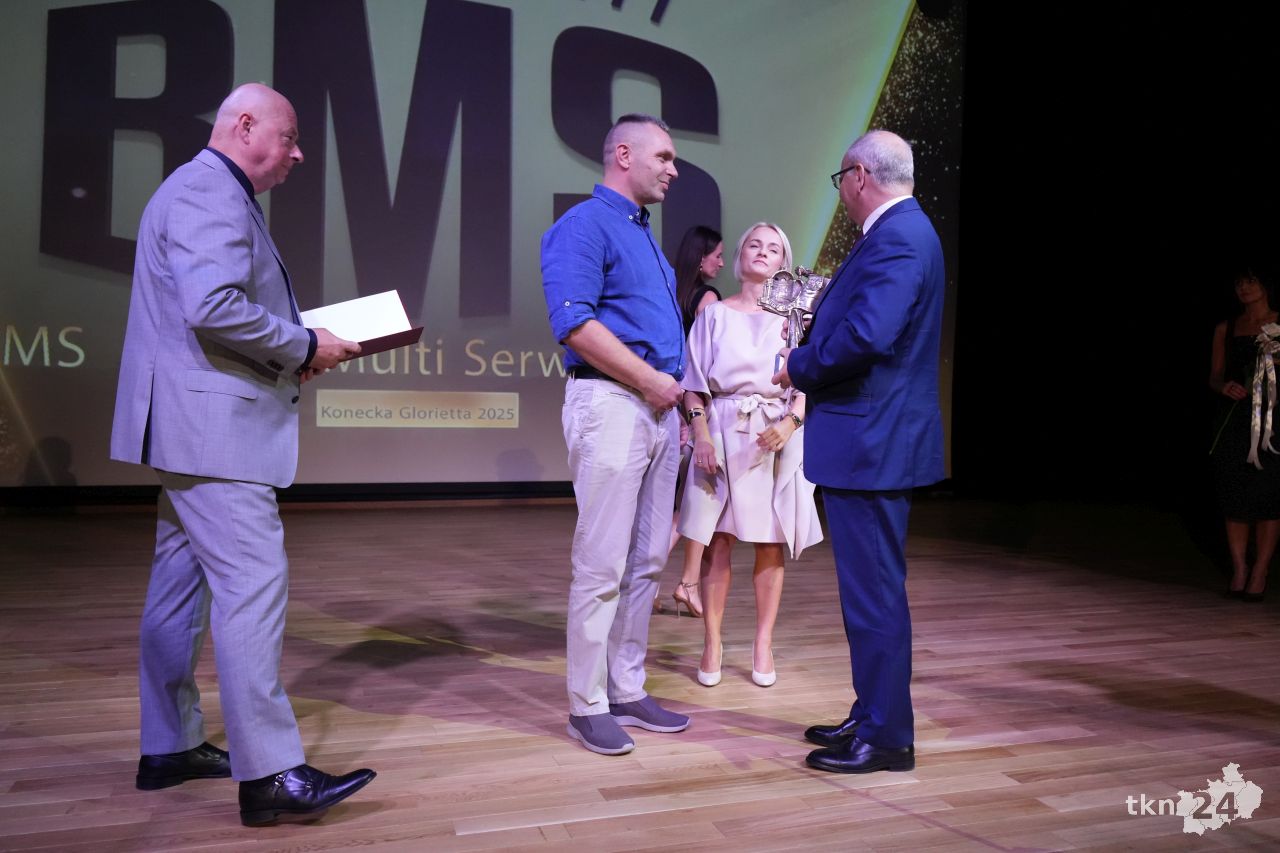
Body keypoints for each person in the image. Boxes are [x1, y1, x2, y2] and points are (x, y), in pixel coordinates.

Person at [110, 83, 375, 825]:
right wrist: (304, 345)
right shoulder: (208, 191)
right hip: (213, 433)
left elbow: (208, 309)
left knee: (179, 590)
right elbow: (215, 306)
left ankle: (169, 745)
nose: (297, 153)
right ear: (246, 125)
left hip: (193, 428)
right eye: (289, 138)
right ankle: (271, 775)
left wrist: (296, 349)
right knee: (253, 586)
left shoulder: (202, 189)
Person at [774, 129, 945, 774]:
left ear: (858, 176)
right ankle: (872, 713)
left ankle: (888, 737)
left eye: (840, 180)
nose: (842, 193)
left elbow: (869, 334)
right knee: (868, 595)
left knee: (874, 596)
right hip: (870, 440)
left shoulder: (899, 236)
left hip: (873, 443)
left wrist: (799, 366)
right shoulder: (901, 232)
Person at [540, 113, 691, 755]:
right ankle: (587, 703)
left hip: (657, 411)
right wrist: (651, 381)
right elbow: (574, 325)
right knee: (602, 562)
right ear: (623, 155)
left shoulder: (645, 236)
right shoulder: (583, 225)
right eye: (664, 156)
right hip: (612, 402)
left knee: (649, 560)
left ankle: (627, 687)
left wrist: (675, 401)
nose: (674, 169)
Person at [679, 223, 822, 687]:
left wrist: (791, 422)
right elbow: (693, 383)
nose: (762, 252)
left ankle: (763, 643)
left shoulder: (795, 320)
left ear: (784, 262)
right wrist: (701, 434)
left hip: (773, 433)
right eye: (755, 245)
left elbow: (811, 381)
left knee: (769, 541)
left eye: (773, 248)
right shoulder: (714, 315)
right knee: (716, 539)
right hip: (722, 430)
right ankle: (712, 642)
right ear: (740, 256)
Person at [663, 225, 725, 618]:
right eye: (717, 255)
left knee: (688, 503)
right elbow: (708, 357)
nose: (722, 262)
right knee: (698, 501)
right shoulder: (708, 299)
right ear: (701, 258)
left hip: (672, 402)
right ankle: (673, 581)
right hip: (698, 407)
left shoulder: (672, 295)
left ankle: (675, 582)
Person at [1209, 269, 1280, 602]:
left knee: (1268, 496)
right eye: (1238, 282)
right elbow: (1215, 375)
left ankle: (1260, 570)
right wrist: (1223, 386)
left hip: (1273, 420)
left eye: (1250, 281)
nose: (1244, 288)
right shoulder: (1225, 328)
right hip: (1236, 420)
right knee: (1235, 493)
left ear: (1265, 284)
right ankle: (1239, 568)